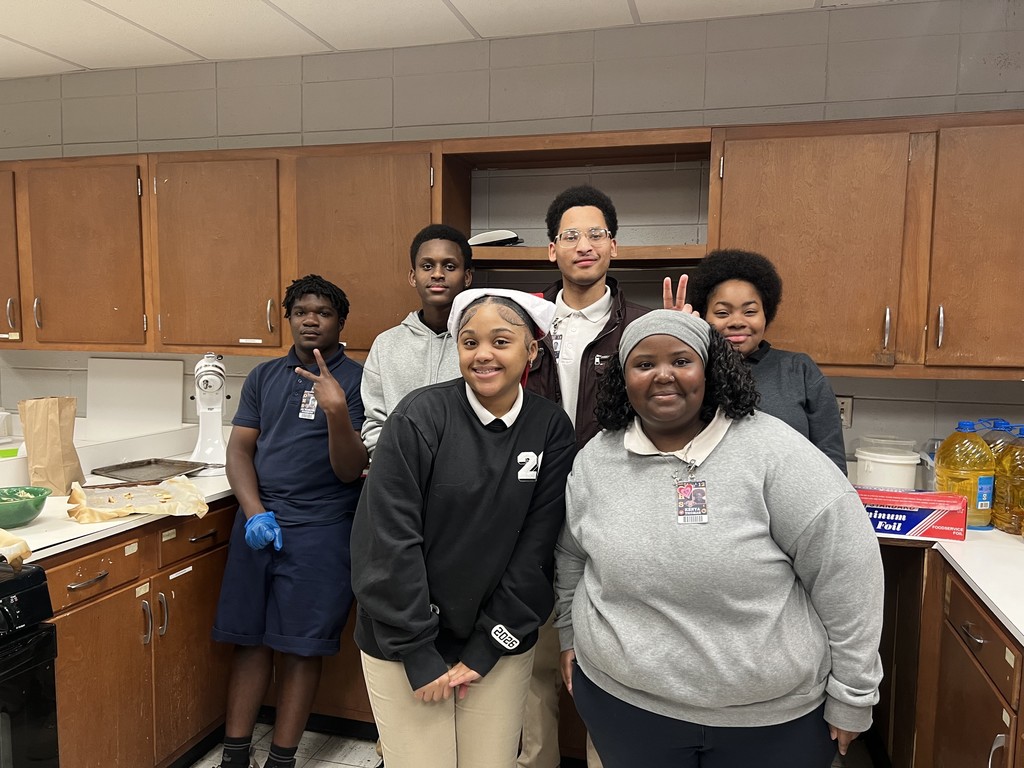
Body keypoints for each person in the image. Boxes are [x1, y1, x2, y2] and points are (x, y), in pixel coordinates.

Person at [554, 310, 883, 768]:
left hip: (772, 722)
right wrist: (569, 634)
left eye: (682, 361)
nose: (663, 375)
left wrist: (854, 693)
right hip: (626, 707)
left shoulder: (776, 453)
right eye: (644, 364)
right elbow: (571, 554)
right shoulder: (597, 459)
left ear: (710, 370)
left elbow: (849, 574)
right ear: (623, 379)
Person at [351, 288, 577, 768]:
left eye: (501, 340)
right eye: (470, 342)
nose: (484, 355)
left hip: (496, 632)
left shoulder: (550, 428)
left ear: (532, 350)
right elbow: (388, 540)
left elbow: (537, 548)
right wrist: (416, 648)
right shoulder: (420, 416)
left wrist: (492, 641)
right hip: (403, 634)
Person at [212, 274, 368, 768]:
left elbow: (350, 469)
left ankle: (282, 759)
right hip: (260, 523)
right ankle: (235, 756)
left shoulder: (360, 380)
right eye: (302, 311)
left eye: (323, 312)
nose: (311, 320)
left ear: (340, 323)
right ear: (289, 318)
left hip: (323, 528)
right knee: (250, 642)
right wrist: (254, 512)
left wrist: (337, 411)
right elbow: (239, 449)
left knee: (302, 648)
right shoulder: (263, 377)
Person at [687, 248, 847, 473]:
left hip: (792, 503)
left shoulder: (799, 371)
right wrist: (679, 345)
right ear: (704, 317)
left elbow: (832, 461)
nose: (737, 322)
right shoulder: (691, 373)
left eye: (750, 312)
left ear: (766, 315)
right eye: (723, 313)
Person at [360, 223, 474, 458]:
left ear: (467, 276)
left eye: (450, 266)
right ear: (413, 276)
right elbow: (374, 424)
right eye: (427, 265)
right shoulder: (386, 345)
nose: (438, 274)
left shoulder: (481, 344)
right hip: (399, 476)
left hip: (464, 478)